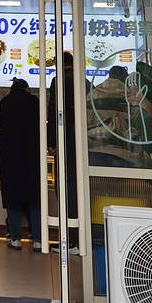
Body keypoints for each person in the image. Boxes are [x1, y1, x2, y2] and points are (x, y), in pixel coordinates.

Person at [47, 51, 88, 255]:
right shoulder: (85, 82)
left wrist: (51, 141)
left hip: (66, 142)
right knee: (79, 190)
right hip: (84, 144)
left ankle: (69, 241)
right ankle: (81, 239)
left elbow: (55, 111)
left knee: (65, 189)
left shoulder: (60, 81)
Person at [0, 77, 41, 251]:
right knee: (34, 199)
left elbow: (1, 127)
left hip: (10, 156)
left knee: (13, 198)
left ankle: (15, 239)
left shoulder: (5, 102)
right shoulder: (34, 101)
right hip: (32, 155)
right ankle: (38, 239)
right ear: (26, 89)